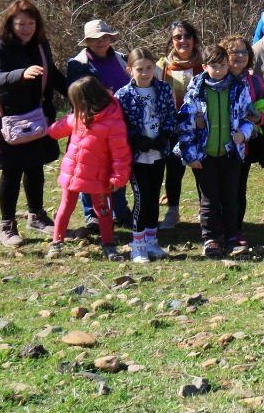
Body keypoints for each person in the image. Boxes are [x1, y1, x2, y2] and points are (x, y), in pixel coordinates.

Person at [0, 0, 65, 247]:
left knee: (35, 166)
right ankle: (7, 225)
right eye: (21, 24)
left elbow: (52, 74)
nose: (26, 28)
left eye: (31, 23)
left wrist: (79, 92)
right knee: (11, 171)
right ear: (10, 23)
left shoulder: (41, 45)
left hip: (37, 114)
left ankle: (37, 216)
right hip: (7, 117)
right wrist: (22, 73)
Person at [175, 43, 254, 258]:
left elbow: (249, 117)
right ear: (204, 66)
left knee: (230, 198)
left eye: (222, 65)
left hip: (230, 153)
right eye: (214, 66)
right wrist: (189, 155)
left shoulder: (239, 87)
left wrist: (243, 134)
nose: (218, 71)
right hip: (205, 154)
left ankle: (230, 237)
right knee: (209, 200)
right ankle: (209, 238)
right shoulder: (196, 89)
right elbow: (185, 124)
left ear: (228, 65)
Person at [45, 75, 132, 261]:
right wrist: (45, 128)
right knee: (65, 207)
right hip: (73, 173)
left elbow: (121, 153)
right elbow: (56, 130)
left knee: (103, 210)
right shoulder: (78, 117)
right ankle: (56, 242)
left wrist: (118, 177)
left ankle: (108, 243)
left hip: (99, 178)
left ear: (84, 100)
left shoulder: (113, 122)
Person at [66, 19, 131, 230]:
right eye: (94, 39)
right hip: (93, 125)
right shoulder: (78, 64)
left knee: (117, 167)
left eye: (104, 38)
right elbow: (76, 95)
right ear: (87, 42)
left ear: (111, 38)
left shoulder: (122, 59)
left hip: (121, 123)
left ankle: (120, 210)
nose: (100, 42)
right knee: (90, 169)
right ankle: (92, 215)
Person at [118, 47, 176, 262]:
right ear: (130, 70)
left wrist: (166, 134)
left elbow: (171, 114)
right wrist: (134, 138)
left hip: (158, 151)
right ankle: (138, 243)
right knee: (141, 197)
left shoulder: (162, 88)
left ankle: (152, 240)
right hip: (137, 155)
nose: (145, 73)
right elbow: (119, 124)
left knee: (153, 197)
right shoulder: (123, 95)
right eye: (140, 69)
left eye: (149, 68)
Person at [222, 34, 264, 251]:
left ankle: (236, 230)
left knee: (238, 190)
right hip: (217, 145)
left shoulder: (256, 82)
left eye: (243, 52)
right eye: (234, 52)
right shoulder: (215, 78)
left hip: (245, 145)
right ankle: (216, 231)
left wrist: (259, 118)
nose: (239, 56)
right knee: (217, 191)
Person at [156, 19, 202, 231]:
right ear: (171, 41)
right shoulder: (161, 67)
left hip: (199, 127)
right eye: (177, 37)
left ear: (194, 39)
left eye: (187, 36)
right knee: (173, 171)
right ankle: (173, 211)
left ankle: (206, 210)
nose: (183, 41)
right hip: (172, 128)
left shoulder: (204, 64)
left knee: (201, 170)